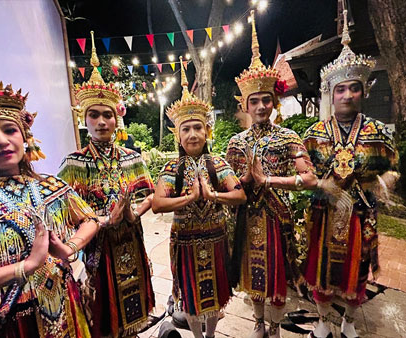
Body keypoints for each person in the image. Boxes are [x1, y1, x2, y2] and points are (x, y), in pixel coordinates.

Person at [0, 2, 98, 336]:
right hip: (3, 324)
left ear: (24, 137)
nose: (1, 140)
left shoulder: (49, 184)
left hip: (62, 306)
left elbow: (89, 218)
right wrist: (25, 267)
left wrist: (72, 247)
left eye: (9, 130)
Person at [302, 9, 399, 338]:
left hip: (359, 215)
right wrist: (323, 185)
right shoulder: (315, 133)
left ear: (363, 91)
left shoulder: (376, 132)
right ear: (331, 92)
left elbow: (393, 168)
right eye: (340, 89)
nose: (346, 95)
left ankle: (349, 321)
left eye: (353, 89)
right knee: (320, 269)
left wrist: (382, 182)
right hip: (324, 215)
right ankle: (322, 319)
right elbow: (303, 174)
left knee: (355, 274)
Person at [225, 11, 317, 338]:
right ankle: (258, 322)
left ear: (274, 101)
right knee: (253, 277)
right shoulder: (235, 143)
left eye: (266, 99)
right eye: (255, 101)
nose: (261, 106)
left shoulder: (289, 138)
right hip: (248, 218)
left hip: (278, 218)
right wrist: (244, 183)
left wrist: (269, 181)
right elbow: (228, 184)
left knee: (276, 277)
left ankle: (275, 326)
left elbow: (310, 179)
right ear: (246, 105)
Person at [58, 32, 155, 338]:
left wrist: (133, 213)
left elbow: (151, 194)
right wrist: (101, 221)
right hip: (99, 248)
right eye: (94, 115)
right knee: (104, 311)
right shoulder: (73, 163)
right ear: (84, 119)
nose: (101, 122)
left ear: (117, 120)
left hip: (131, 238)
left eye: (107, 115)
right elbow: (63, 213)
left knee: (134, 305)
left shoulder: (131, 157)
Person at [152, 57, 246, 338]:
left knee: (215, 299)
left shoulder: (217, 163)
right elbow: (157, 204)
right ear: (177, 136)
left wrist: (213, 194)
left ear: (207, 131)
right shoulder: (172, 168)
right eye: (186, 129)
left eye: (198, 127)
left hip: (216, 239)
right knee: (190, 299)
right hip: (185, 243)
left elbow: (239, 194)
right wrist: (189, 199)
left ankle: (211, 335)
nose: (193, 134)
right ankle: (196, 336)